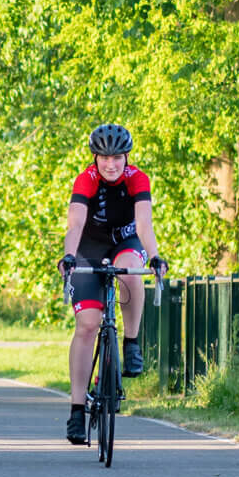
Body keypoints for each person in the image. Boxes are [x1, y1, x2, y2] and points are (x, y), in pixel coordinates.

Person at [61, 122, 161, 445]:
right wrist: (69, 255)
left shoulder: (137, 179)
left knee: (130, 270)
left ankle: (131, 343)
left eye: (117, 157)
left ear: (126, 157)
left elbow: (144, 223)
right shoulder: (86, 180)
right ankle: (77, 409)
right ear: (95, 158)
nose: (111, 164)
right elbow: (75, 223)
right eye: (104, 158)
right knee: (87, 325)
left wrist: (156, 256)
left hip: (125, 243)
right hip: (88, 248)